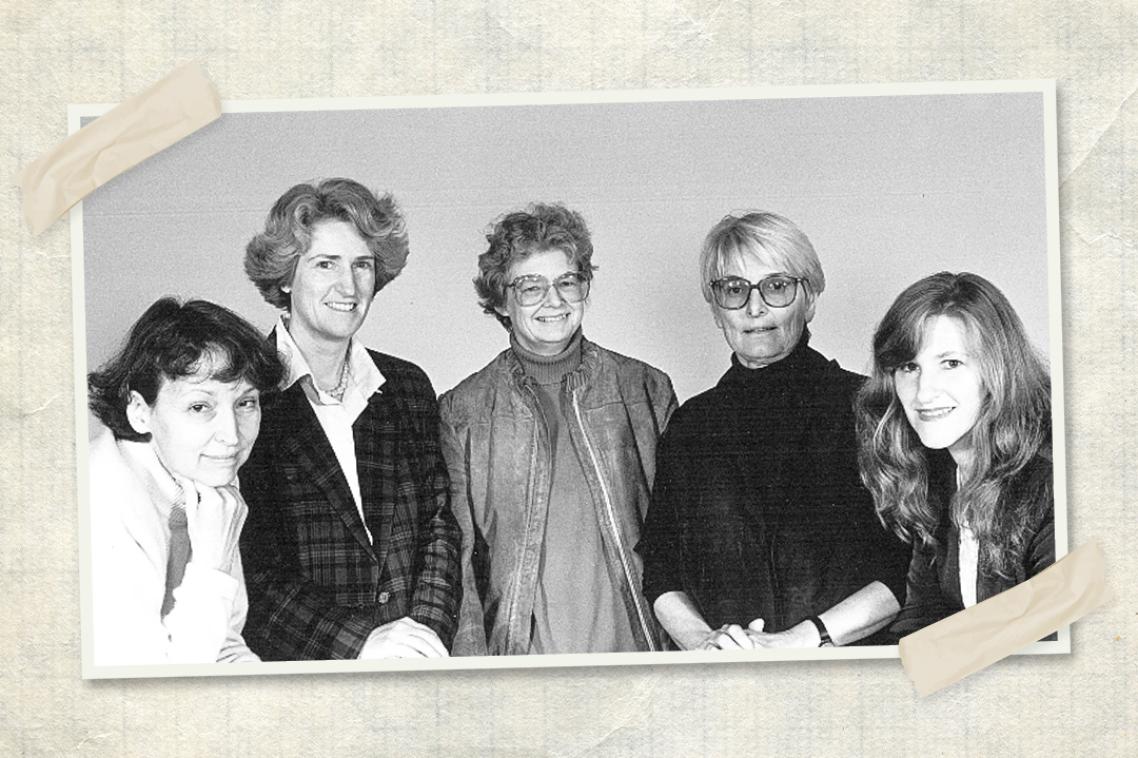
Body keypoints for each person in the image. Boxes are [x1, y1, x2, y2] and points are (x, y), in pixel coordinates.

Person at [637, 211, 910, 651]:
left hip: (846, 676)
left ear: (810, 298)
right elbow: (661, 569)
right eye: (734, 289)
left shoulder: (871, 410)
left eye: (777, 286)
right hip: (728, 681)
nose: (754, 307)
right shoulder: (690, 426)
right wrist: (705, 641)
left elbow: (908, 564)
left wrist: (804, 640)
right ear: (715, 309)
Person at [439, 203, 677, 655]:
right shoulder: (463, 412)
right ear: (499, 300)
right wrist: (473, 681)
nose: (554, 300)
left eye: (567, 282)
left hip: (642, 655)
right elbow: (459, 564)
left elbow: (681, 541)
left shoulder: (645, 389)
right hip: (521, 669)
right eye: (531, 287)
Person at [239, 178, 461, 661]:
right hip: (302, 670)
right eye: (325, 264)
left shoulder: (406, 386)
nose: (349, 286)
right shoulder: (243, 394)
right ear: (284, 276)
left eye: (362, 265)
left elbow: (439, 527)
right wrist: (361, 642)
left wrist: (421, 637)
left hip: (415, 663)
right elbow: (249, 566)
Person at [856, 271, 1054, 637]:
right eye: (909, 367)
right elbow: (921, 619)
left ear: (998, 370)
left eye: (951, 363)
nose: (924, 392)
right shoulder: (936, 474)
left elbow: (1053, 646)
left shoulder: (1055, 480)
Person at [87, 297, 283, 665]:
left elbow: (223, 642)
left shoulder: (204, 476)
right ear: (140, 411)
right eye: (199, 407)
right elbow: (156, 686)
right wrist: (210, 564)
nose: (231, 436)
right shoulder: (98, 500)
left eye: (246, 403)